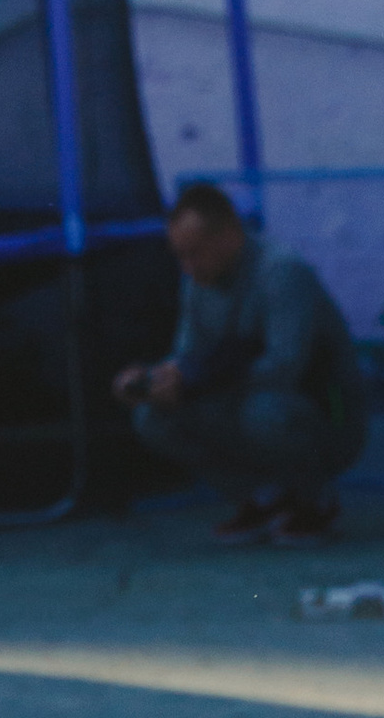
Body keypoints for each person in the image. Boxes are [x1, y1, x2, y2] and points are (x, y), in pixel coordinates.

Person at [113, 180, 370, 545]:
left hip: (333, 411)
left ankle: (316, 499)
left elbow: (285, 367)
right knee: (152, 417)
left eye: (195, 253)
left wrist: (193, 379)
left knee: (264, 413)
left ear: (230, 236)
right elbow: (188, 356)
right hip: (252, 399)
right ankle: (264, 499)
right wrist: (152, 380)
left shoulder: (282, 271)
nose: (187, 266)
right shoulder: (199, 277)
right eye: (180, 256)